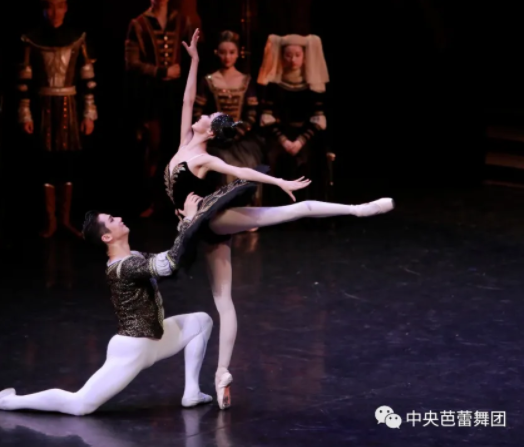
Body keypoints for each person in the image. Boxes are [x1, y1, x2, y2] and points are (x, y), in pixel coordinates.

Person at [164, 29, 394, 409]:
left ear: (209, 131)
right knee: (223, 300)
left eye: (206, 117)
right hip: (197, 227)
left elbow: (242, 171)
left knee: (290, 212)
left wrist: (278, 181)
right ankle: (221, 375)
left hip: (210, 220)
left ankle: (359, 209)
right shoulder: (184, 143)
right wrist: (194, 60)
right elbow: (188, 98)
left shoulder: (203, 157)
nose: (200, 115)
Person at [0, 193, 213, 416]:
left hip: (156, 339)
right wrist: (189, 221)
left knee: (201, 322)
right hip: (134, 348)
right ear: (107, 237)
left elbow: (172, 260)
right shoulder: (124, 267)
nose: (118, 218)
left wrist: (189, 224)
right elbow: (169, 263)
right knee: (80, 405)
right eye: (111, 220)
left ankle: (192, 392)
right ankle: (6, 401)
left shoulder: (134, 257)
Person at [18, 0, 97, 238]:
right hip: (43, 107)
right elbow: (24, 80)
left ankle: (65, 219)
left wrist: (89, 113)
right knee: (46, 163)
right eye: (50, 7)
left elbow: (88, 79)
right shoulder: (31, 39)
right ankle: (50, 221)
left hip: (69, 106)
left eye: (59, 6)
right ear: (44, 9)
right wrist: (25, 113)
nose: (55, 12)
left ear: (66, 8)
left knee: (68, 162)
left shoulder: (77, 38)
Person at [125, 0, 195, 217]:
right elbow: (131, 62)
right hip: (151, 94)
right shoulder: (138, 24)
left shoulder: (182, 21)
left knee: (178, 147)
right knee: (153, 147)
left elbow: (193, 55)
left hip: (176, 94)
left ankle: (178, 202)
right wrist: (160, 71)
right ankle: (153, 201)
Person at [193, 30, 264, 213]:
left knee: (248, 162)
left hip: (241, 138)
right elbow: (198, 113)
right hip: (216, 137)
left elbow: (251, 115)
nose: (227, 57)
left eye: (231, 52)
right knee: (221, 164)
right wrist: (213, 132)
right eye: (223, 52)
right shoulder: (208, 80)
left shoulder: (245, 80)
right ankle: (223, 212)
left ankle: (248, 213)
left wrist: (236, 133)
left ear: (238, 53)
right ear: (217, 53)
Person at [258, 34, 334, 202]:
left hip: (306, 137)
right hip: (280, 136)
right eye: (288, 55)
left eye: (297, 55)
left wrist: (300, 141)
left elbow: (318, 119)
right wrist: (284, 141)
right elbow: (267, 117)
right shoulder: (274, 86)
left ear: (304, 57)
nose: (293, 60)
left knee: (310, 160)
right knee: (275, 160)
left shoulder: (313, 85)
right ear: (282, 57)